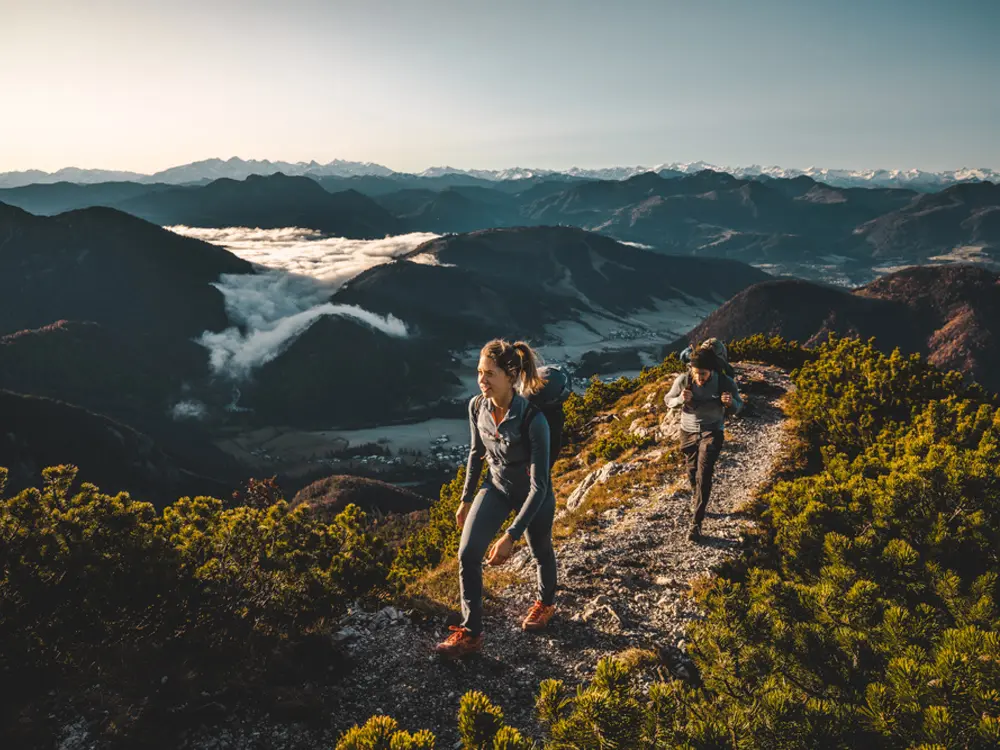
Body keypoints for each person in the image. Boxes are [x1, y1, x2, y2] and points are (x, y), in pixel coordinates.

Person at [435, 339, 558, 657]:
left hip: (533, 495)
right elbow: (476, 454)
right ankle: (471, 633)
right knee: (467, 554)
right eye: (479, 372)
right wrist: (465, 499)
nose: (482, 380)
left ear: (511, 375)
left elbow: (540, 486)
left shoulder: (535, 421)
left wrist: (510, 535)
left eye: (489, 373)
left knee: (540, 551)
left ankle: (545, 604)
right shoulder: (477, 406)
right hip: (497, 489)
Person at [663, 348, 743, 542]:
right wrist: (681, 399)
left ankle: (696, 524)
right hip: (687, 431)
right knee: (692, 472)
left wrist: (730, 403)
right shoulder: (683, 380)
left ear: (712, 371)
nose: (699, 377)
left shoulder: (725, 383)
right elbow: (668, 400)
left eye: (703, 374)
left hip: (713, 431)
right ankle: (698, 499)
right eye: (696, 373)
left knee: (704, 472)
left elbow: (739, 406)